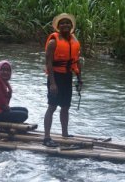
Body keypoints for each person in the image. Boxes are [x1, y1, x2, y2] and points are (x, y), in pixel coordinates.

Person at [43, 13, 83, 147]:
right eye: (62, 23)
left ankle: (64, 133)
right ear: (58, 26)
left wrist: (79, 78)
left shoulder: (74, 41)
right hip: (55, 76)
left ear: (71, 26)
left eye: (67, 23)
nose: (65, 25)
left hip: (67, 77)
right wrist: (53, 83)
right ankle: (46, 137)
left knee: (65, 107)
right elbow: (48, 63)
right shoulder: (53, 42)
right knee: (52, 107)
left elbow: (76, 62)